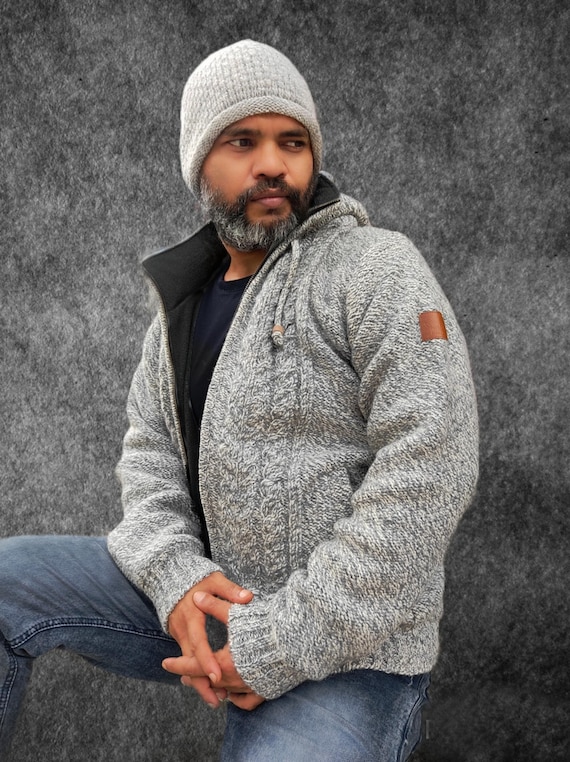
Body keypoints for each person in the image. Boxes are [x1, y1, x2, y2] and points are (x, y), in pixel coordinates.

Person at [0, 40, 479, 760]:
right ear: (200, 163)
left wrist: (278, 644)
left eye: (293, 142)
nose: (273, 164)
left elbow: (433, 467)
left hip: (349, 644)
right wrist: (177, 580)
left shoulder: (376, 267)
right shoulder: (181, 307)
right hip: (215, 598)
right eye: (242, 142)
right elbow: (150, 462)